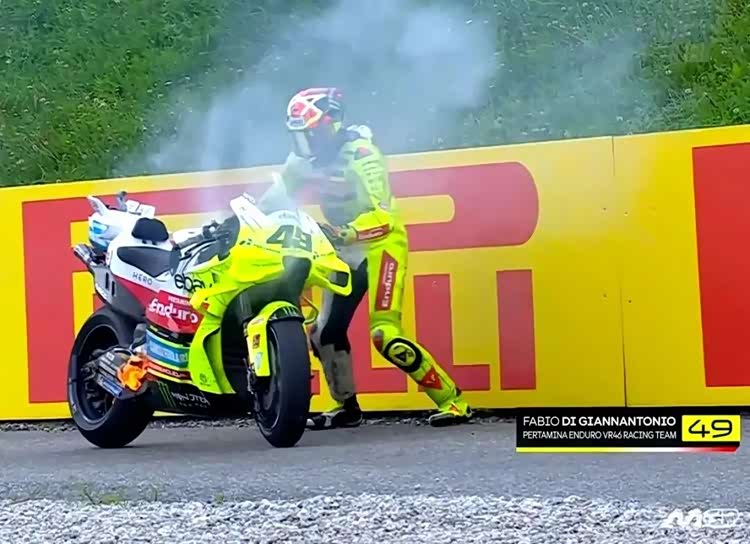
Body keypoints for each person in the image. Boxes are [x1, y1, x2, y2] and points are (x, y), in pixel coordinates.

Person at [257, 87, 472, 429]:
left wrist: (345, 233)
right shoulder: (301, 160)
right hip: (341, 247)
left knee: (385, 335)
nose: (304, 143)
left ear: (330, 125)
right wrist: (239, 220)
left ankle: (453, 401)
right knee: (324, 333)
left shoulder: (363, 155)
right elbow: (272, 200)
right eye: (299, 135)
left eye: (310, 134)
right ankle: (346, 407)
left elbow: (384, 218)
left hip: (380, 245)